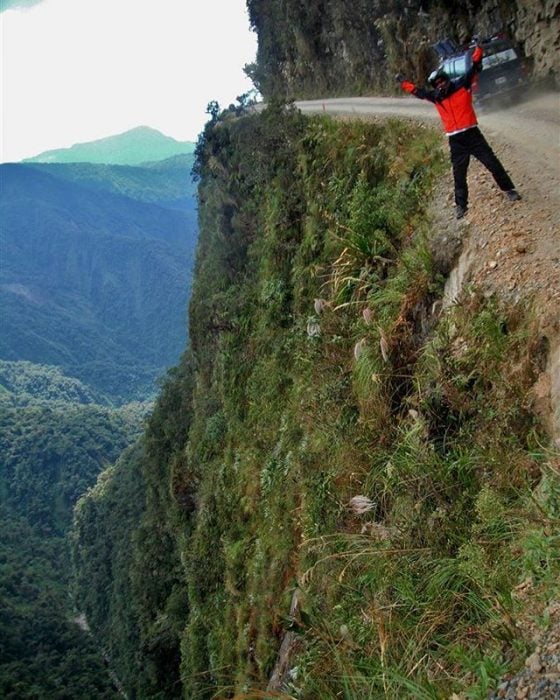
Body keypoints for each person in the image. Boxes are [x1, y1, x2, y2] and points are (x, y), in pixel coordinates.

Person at [396, 40, 521, 219]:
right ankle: (461, 206)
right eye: (437, 84)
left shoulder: (463, 85)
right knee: (459, 175)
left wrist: (479, 49)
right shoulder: (436, 98)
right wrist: (403, 83)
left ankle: (509, 190)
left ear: (447, 80)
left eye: (442, 82)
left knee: (492, 163)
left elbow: (475, 67)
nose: (441, 86)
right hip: (456, 140)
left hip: (472, 134)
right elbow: (418, 92)